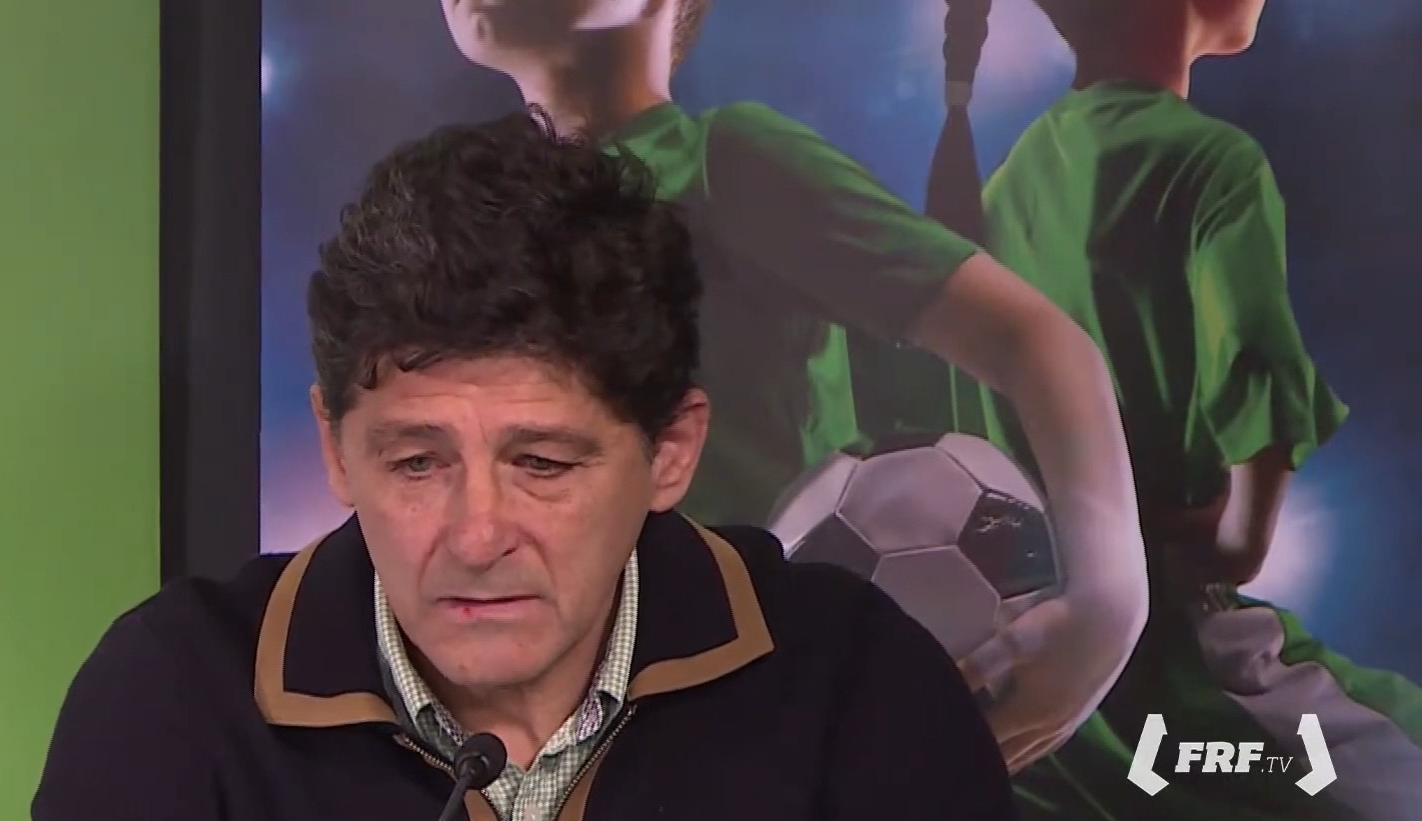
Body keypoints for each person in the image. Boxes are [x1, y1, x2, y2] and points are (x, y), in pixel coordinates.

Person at [0, 112, 1112, 821]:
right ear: (336, 451)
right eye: (416, 462)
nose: (477, 536)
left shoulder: (855, 683)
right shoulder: (174, 698)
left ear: (670, 453)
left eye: (542, 463)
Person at [436, 0, 1149, 775]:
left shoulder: (725, 164)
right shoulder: (476, 227)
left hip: (764, 723)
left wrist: (1109, 603)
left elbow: (1030, 339)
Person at [926, 0, 1422, 821]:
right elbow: (1251, 420)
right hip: (1170, 654)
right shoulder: (1210, 163)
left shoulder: (1011, 179)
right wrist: (1225, 539)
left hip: (1049, 683)